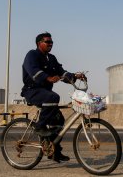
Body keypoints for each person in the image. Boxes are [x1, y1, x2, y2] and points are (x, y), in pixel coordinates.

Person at [21, 32, 86, 163]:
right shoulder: (32, 55)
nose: (50, 44)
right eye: (47, 42)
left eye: (52, 42)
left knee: (60, 122)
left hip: (45, 93)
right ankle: (39, 127)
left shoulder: (51, 58)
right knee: (53, 97)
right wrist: (48, 77)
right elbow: (33, 71)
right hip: (32, 91)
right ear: (39, 43)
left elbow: (62, 72)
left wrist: (75, 76)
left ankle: (54, 151)